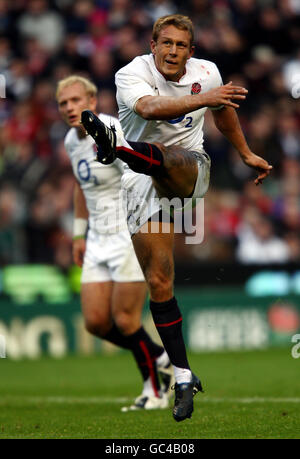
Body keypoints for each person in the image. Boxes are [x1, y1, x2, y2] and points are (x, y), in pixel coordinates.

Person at [81, 14, 273, 422]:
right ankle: (183, 373)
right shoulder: (131, 72)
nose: (172, 51)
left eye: (180, 45)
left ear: (192, 50)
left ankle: (116, 147)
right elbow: (150, 108)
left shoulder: (207, 74)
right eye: (165, 43)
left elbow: (223, 114)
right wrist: (204, 98)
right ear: (152, 45)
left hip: (189, 169)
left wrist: (244, 152)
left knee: (172, 158)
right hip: (139, 185)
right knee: (159, 279)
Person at [56, 75, 174, 412]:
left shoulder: (111, 128)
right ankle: (160, 356)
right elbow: (81, 186)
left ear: (92, 102)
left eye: (76, 100)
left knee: (125, 319)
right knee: (95, 322)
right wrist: (79, 233)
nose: (69, 108)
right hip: (97, 238)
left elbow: (140, 171)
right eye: (64, 103)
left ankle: (154, 390)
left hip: (126, 231)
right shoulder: (70, 141)